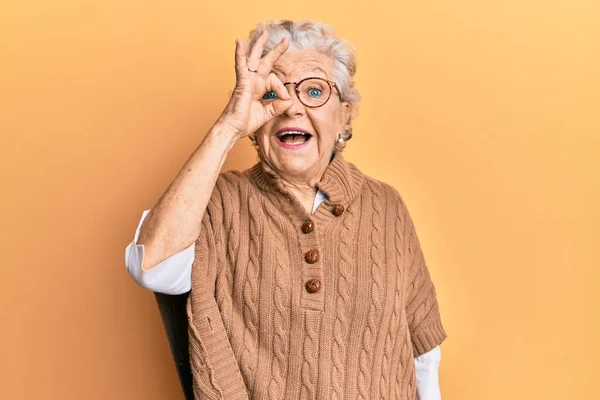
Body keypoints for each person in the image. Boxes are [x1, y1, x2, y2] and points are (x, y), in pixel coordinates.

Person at [125, 20, 447, 400]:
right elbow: (153, 269)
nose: (292, 106)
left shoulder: (385, 205)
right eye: (272, 92)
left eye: (314, 90)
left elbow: (423, 354)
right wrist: (229, 124)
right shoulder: (218, 202)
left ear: (343, 115)